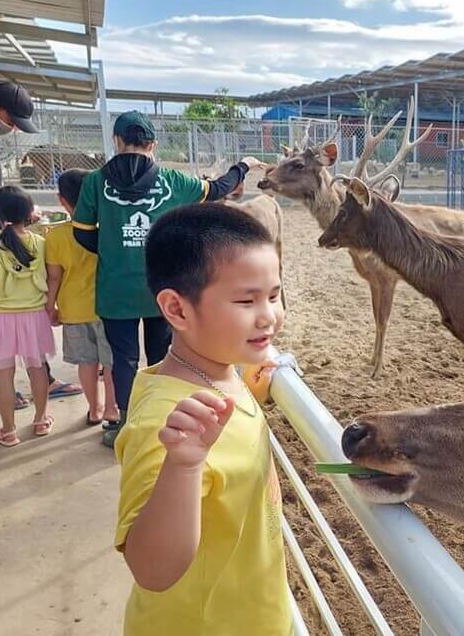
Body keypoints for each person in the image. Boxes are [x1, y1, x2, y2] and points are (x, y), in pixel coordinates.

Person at [115, 204, 291, 634]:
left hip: (256, 614)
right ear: (176, 310)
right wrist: (185, 464)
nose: (268, 314)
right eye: (246, 300)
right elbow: (152, 570)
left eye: (273, 295)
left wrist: (253, 380)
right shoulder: (169, 427)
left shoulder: (218, 371)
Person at [71, 111, 263, 447]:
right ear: (153, 145)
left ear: (117, 141)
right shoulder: (173, 181)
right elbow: (217, 189)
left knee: (124, 360)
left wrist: (115, 249)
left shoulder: (95, 182)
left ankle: (128, 426)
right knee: (161, 358)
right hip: (162, 290)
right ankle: (162, 424)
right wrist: (243, 165)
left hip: (115, 291)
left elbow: (82, 234)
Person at [0, 81, 81, 409]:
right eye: (11, 120)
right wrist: (13, 209)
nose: (11, 129)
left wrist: (13, 210)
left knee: (20, 304)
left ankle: (43, 381)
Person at [0, 186, 55, 446]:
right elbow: (49, 277)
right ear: (29, 212)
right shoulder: (40, 243)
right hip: (34, 316)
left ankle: (8, 431)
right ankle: (41, 420)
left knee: (3, 373)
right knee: (37, 367)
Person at [46, 169, 119, 426]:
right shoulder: (107, 229)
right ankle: (112, 408)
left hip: (73, 310)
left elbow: (53, 277)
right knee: (111, 363)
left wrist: (50, 306)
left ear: (61, 200)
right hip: (109, 308)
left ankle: (95, 409)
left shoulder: (54, 236)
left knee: (87, 363)